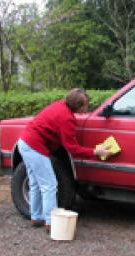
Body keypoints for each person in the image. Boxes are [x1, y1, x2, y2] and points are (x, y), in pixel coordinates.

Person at [18, 88, 111, 233]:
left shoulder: (60, 105)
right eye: (85, 106)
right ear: (79, 106)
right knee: (50, 185)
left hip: (24, 142)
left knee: (36, 182)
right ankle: (50, 222)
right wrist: (95, 151)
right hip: (34, 147)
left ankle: (36, 217)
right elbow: (72, 148)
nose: (87, 108)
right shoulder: (66, 118)